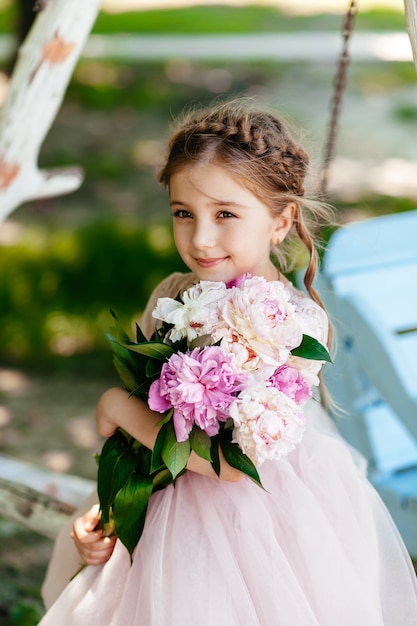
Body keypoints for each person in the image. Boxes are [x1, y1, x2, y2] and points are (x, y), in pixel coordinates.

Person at [39, 101, 417, 625]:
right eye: (183, 213)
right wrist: (106, 508)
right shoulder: (173, 296)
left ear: (282, 221)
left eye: (225, 214)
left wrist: (114, 406)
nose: (200, 238)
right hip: (162, 497)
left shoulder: (293, 326)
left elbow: (230, 467)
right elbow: (146, 432)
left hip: (262, 522)